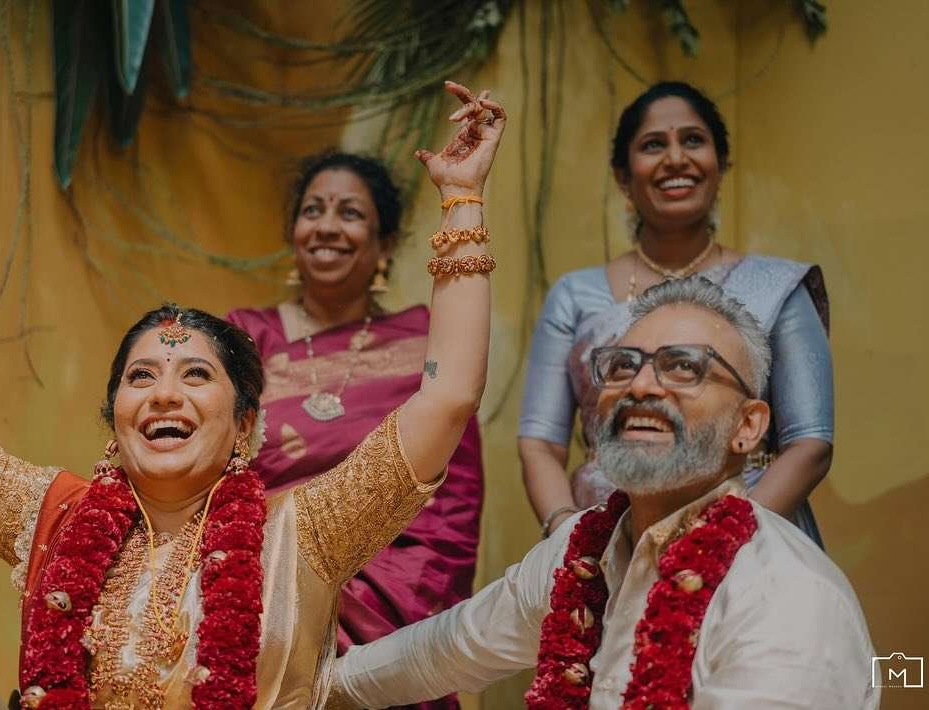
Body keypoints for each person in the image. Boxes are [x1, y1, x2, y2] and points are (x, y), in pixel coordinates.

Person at [0, 80, 504, 709]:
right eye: (141, 376)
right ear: (114, 416)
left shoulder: (304, 534)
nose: (164, 394)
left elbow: (448, 395)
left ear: (245, 425)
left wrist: (462, 198)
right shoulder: (53, 519)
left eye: (197, 375)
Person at [330, 278, 877, 709]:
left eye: (684, 367)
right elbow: (451, 647)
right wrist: (316, 690)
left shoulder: (788, 597)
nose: (640, 385)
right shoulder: (583, 550)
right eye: (623, 365)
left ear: (748, 426)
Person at [519, 82, 833, 545]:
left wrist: (718, 543)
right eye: (653, 145)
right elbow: (541, 444)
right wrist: (567, 534)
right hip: (603, 539)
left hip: (750, 533)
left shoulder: (776, 286)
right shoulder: (574, 294)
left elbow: (810, 443)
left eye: (693, 140)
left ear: (721, 163)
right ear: (623, 176)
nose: (675, 158)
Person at [226, 151, 483, 710]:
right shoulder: (245, 337)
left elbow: (453, 508)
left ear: (385, 243)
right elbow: (216, 479)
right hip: (264, 597)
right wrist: (290, 586)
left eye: (350, 213)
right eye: (313, 210)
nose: (327, 226)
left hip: (389, 610)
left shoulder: (424, 339)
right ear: (293, 232)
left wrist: (355, 600)